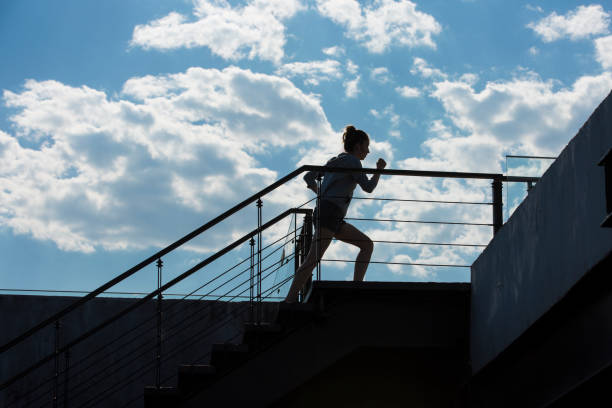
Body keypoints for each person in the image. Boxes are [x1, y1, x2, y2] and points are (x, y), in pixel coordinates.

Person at [284, 125, 387, 303]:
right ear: (358, 146)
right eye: (366, 146)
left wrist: (322, 193)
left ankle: (357, 286)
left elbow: (308, 177)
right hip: (331, 213)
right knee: (312, 259)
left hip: (329, 213)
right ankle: (289, 300)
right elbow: (368, 187)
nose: (368, 151)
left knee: (366, 245)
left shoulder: (335, 160)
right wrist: (379, 171)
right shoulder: (354, 162)